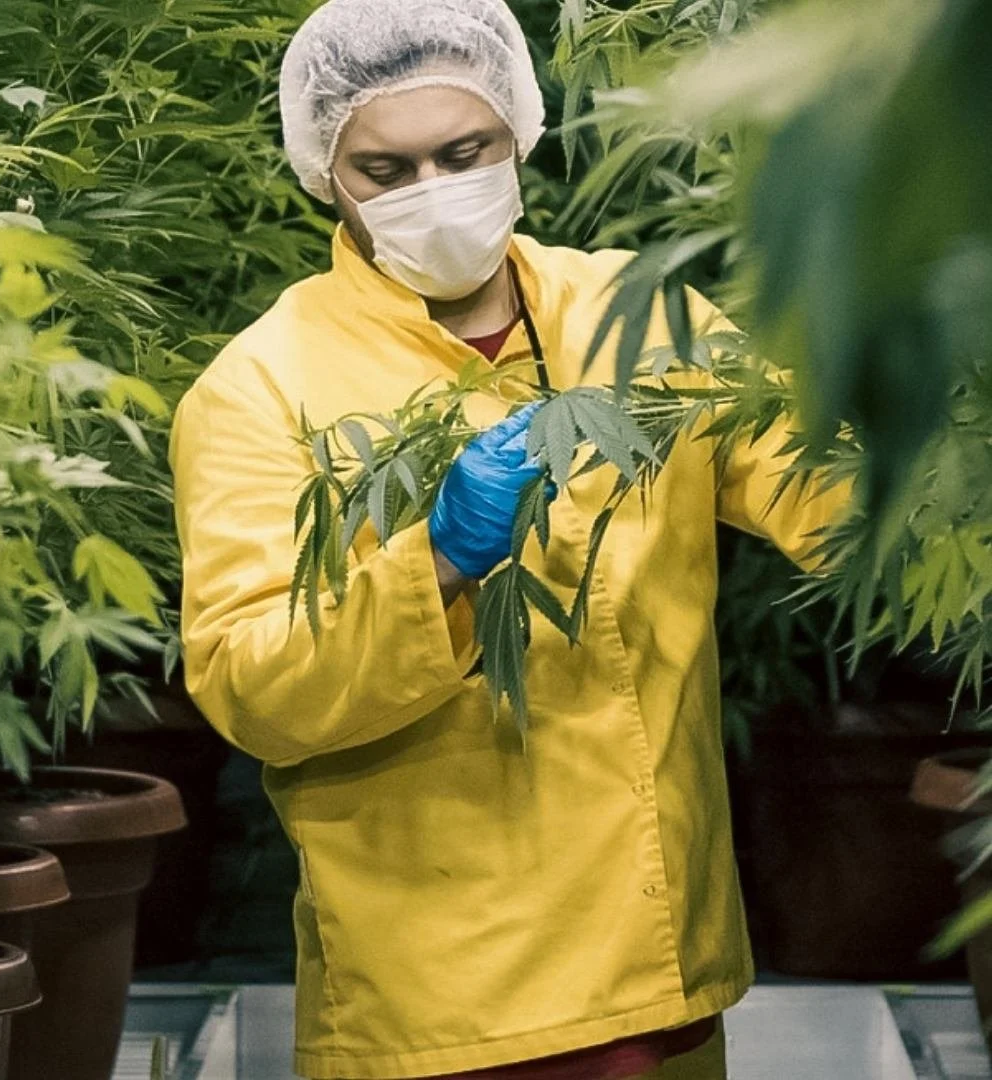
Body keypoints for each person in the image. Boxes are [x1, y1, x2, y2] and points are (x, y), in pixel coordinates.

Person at [169, 1, 849, 1077]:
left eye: (464, 153)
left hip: (665, 959)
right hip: (446, 998)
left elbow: (833, 496)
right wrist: (436, 560)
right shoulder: (261, 387)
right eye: (386, 170)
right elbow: (254, 690)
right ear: (323, 172)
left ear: (519, 133)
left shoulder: (637, 313)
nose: (432, 190)